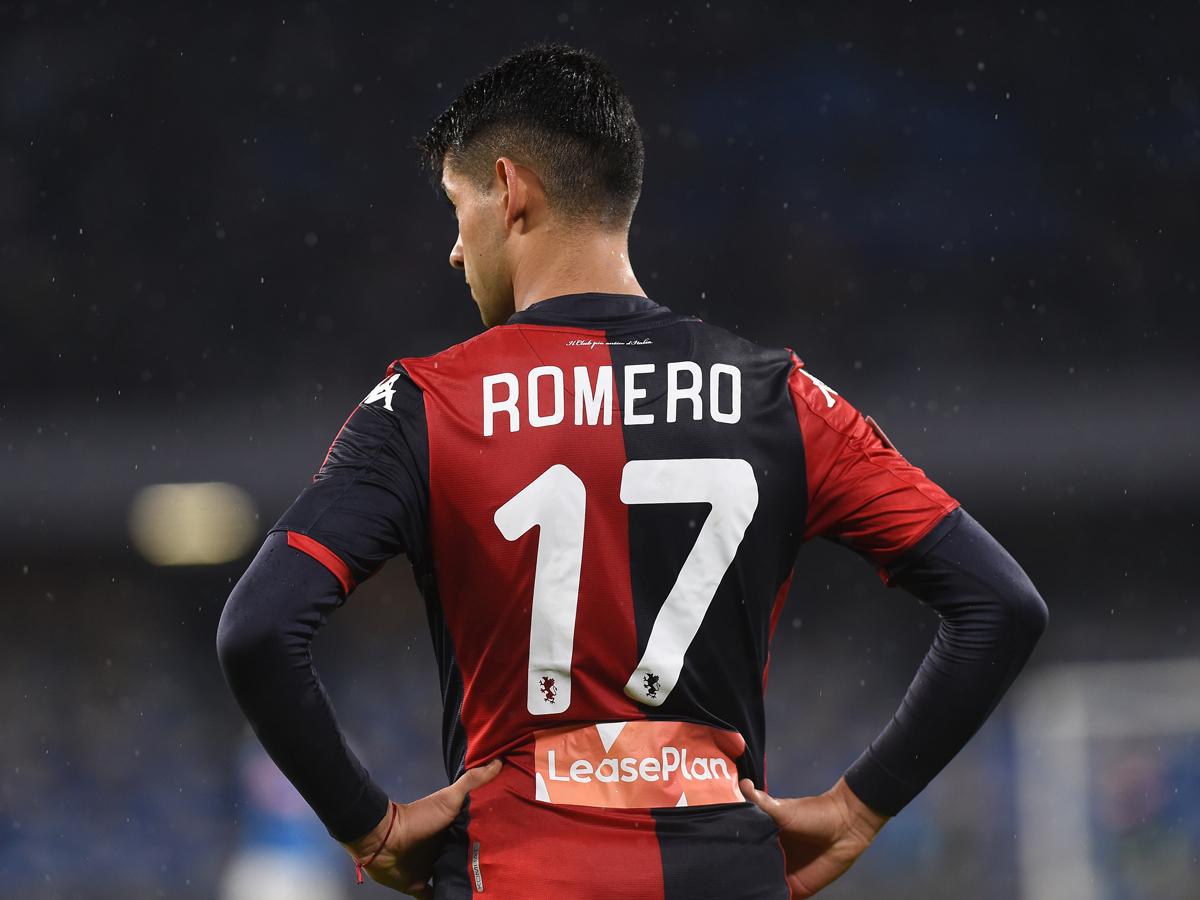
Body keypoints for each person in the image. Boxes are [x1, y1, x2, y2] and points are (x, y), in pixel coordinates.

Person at [216, 43, 1048, 899]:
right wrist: (858, 808)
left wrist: (370, 825)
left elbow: (258, 630)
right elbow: (1001, 604)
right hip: (725, 870)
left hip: (519, 870)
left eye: (457, 208)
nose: (456, 252)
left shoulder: (427, 404)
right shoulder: (780, 397)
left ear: (509, 189)